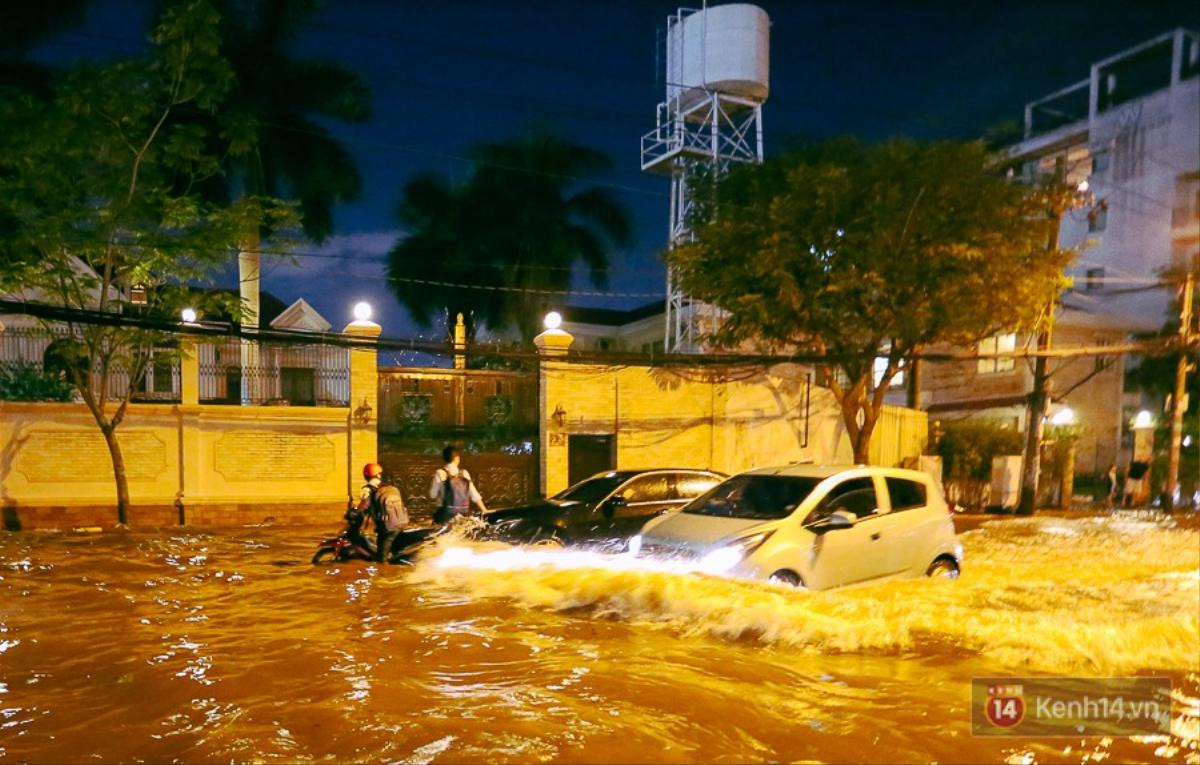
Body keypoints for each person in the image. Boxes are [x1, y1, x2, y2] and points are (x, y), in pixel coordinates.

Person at [358, 462, 409, 562]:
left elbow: (363, 507)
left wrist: (355, 513)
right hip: (401, 522)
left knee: (381, 560)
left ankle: (384, 575)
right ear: (379, 475)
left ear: (366, 475)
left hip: (387, 528)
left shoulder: (368, 490)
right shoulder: (387, 487)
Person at [430, 445, 487, 524]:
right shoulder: (464, 473)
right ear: (456, 458)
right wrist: (484, 510)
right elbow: (474, 494)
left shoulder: (439, 473)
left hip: (445, 515)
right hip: (463, 515)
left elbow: (432, 495)